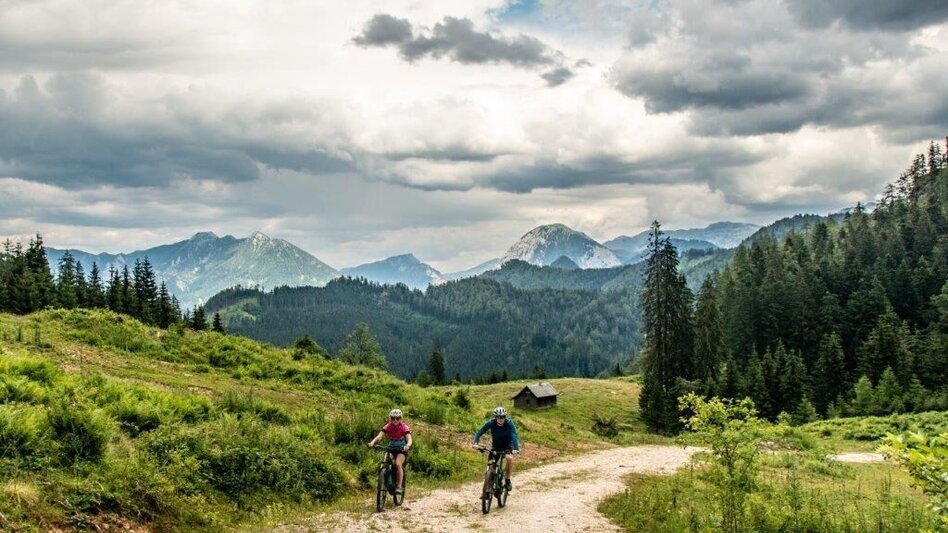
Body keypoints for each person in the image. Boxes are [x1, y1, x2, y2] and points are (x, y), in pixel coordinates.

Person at [472, 406, 520, 490]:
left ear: (505, 416)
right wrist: (476, 443)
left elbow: (514, 435)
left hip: (508, 446)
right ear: (495, 417)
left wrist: (515, 448)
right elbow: (479, 433)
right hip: (496, 446)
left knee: (509, 458)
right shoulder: (491, 423)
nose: (501, 419)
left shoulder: (509, 423)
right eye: (498, 417)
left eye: (503, 417)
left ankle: (507, 480)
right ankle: (488, 486)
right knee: (491, 464)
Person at [368, 408, 412, 494]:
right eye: (393, 418)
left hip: (401, 449)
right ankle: (386, 481)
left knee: (398, 464)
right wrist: (372, 442)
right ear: (390, 418)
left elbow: (409, 438)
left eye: (398, 418)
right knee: (386, 463)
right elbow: (379, 436)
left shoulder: (404, 427)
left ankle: (399, 486)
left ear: (401, 419)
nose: (395, 420)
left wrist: (408, 445)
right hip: (391, 448)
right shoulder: (388, 426)